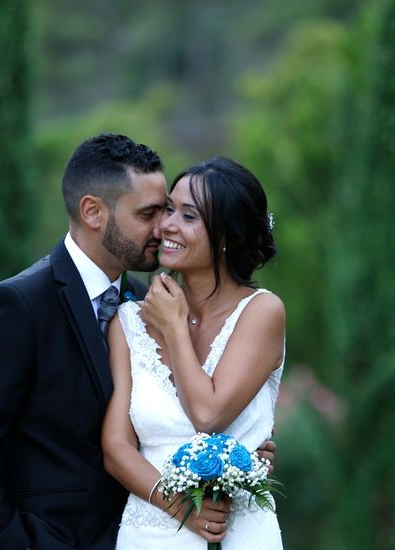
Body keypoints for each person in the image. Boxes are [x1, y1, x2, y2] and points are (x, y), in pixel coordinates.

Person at [0, 134, 250, 549]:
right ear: (93, 212)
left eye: (168, 211)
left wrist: (242, 452)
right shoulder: (18, 305)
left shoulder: (148, 305)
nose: (163, 228)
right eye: (148, 213)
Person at [102, 157, 285, 549]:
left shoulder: (262, 312)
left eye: (189, 216)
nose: (167, 225)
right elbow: (117, 448)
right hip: (149, 534)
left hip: (240, 535)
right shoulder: (130, 321)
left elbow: (208, 415)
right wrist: (182, 507)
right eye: (169, 208)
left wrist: (173, 327)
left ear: (226, 236)